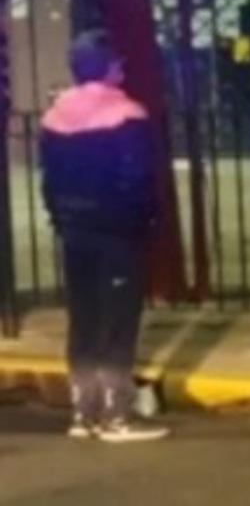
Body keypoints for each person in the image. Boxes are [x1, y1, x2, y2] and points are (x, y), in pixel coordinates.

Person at [40, 32, 169, 443]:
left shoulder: (54, 117)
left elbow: (49, 180)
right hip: (117, 230)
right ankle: (116, 414)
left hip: (75, 229)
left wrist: (61, 217)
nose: (123, 70)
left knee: (85, 318)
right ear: (109, 69)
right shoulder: (127, 114)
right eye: (119, 63)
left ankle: (83, 411)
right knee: (118, 320)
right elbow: (140, 177)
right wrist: (147, 220)